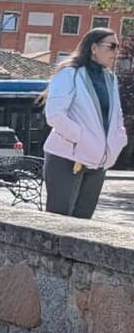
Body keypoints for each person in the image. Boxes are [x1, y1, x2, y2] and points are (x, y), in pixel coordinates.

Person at [43, 28, 127, 219]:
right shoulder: (69, 74)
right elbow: (55, 115)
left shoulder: (110, 78)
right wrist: (81, 138)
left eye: (118, 47)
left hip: (98, 162)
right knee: (59, 221)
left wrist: (118, 140)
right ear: (94, 48)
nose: (116, 52)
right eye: (112, 46)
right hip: (66, 158)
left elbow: (117, 116)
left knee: (83, 223)